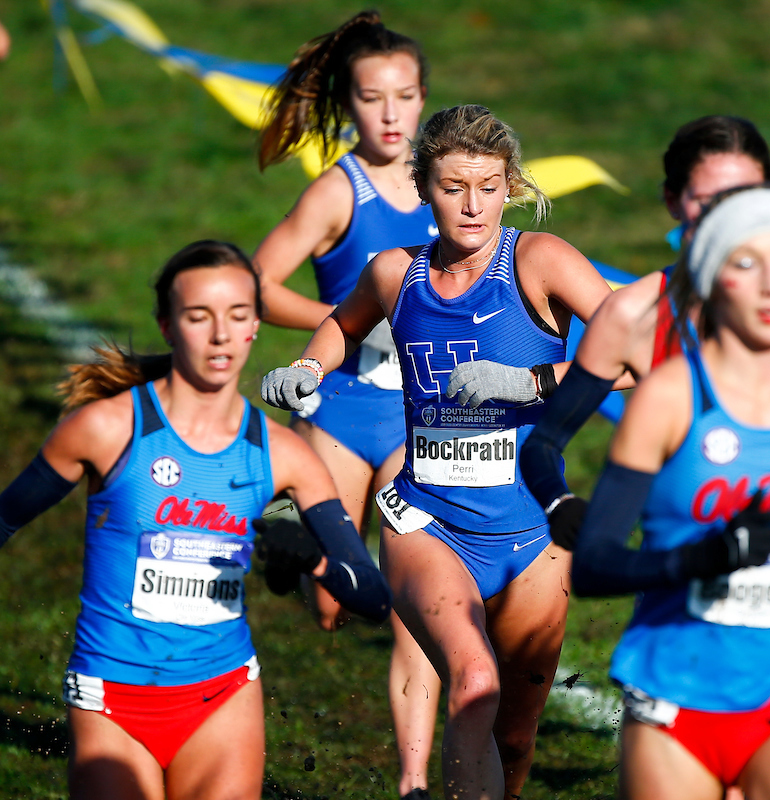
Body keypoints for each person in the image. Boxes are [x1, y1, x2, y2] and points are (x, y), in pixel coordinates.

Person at [260, 105, 623, 800]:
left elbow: (627, 359)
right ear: (423, 186)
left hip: (532, 532)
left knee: (515, 737)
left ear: (509, 186)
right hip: (425, 518)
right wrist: (309, 370)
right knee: (473, 682)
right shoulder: (396, 273)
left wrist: (525, 382)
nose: (473, 204)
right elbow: (342, 324)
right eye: (454, 186)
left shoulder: (541, 262)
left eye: (488, 186)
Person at [0, 241, 391, 799]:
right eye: (198, 316)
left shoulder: (284, 454)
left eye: (236, 316)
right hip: (111, 699)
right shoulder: (105, 430)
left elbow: (372, 599)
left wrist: (310, 557)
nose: (220, 335)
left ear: (255, 325)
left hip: (224, 698)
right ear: (166, 325)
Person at [520, 115, 770, 639]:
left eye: (746, 196)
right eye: (709, 199)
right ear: (673, 201)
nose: (732, 216)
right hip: (685, 611)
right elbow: (546, 441)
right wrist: (559, 502)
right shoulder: (634, 317)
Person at [571, 186, 770, 799]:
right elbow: (594, 565)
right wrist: (700, 560)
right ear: (713, 280)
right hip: (674, 705)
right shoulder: (667, 398)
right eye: (746, 263)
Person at [254, 13, 441, 797]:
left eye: (405, 96)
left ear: (424, 98)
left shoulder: (450, 184)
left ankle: (413, 781)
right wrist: (345, 325)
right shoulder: (339, 191)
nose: (392, 114)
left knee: (415, 601)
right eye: (373, 98)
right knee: (332, 604)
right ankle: (289, 556)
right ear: (350, 105)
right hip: (338, 408)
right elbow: (258, 283)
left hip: (418, 420)